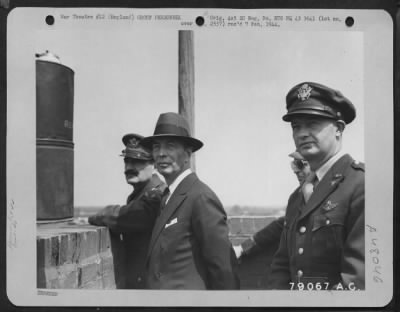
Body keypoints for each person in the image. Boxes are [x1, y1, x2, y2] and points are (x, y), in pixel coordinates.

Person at [268, 82, 365, 290]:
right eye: (296, 126)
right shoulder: (297, 197)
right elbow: (282, 267)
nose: (302, 133)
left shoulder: (361, 185)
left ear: (338, 129)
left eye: (312, 123)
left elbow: (358, 280)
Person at [140, 112, 240, 289]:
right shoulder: (168, 196)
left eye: (170, 146)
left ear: (187, 154)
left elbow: (223, 269)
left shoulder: (200, 197)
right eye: (156, 147)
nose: (161, 153)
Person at [88, 133, 166, 289]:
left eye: (138, 162)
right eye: (127, 161)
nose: (129, 168)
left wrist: (94, 217)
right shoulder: (140, 194)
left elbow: (126, 216)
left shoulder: (156, 196)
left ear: (155, 165)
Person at [233, 152, 311, 258]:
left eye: (300, 165)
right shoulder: (296, 197)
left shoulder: (333, 193)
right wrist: (242, 248)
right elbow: (278, 227)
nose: (296, 171)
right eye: (293, 165)